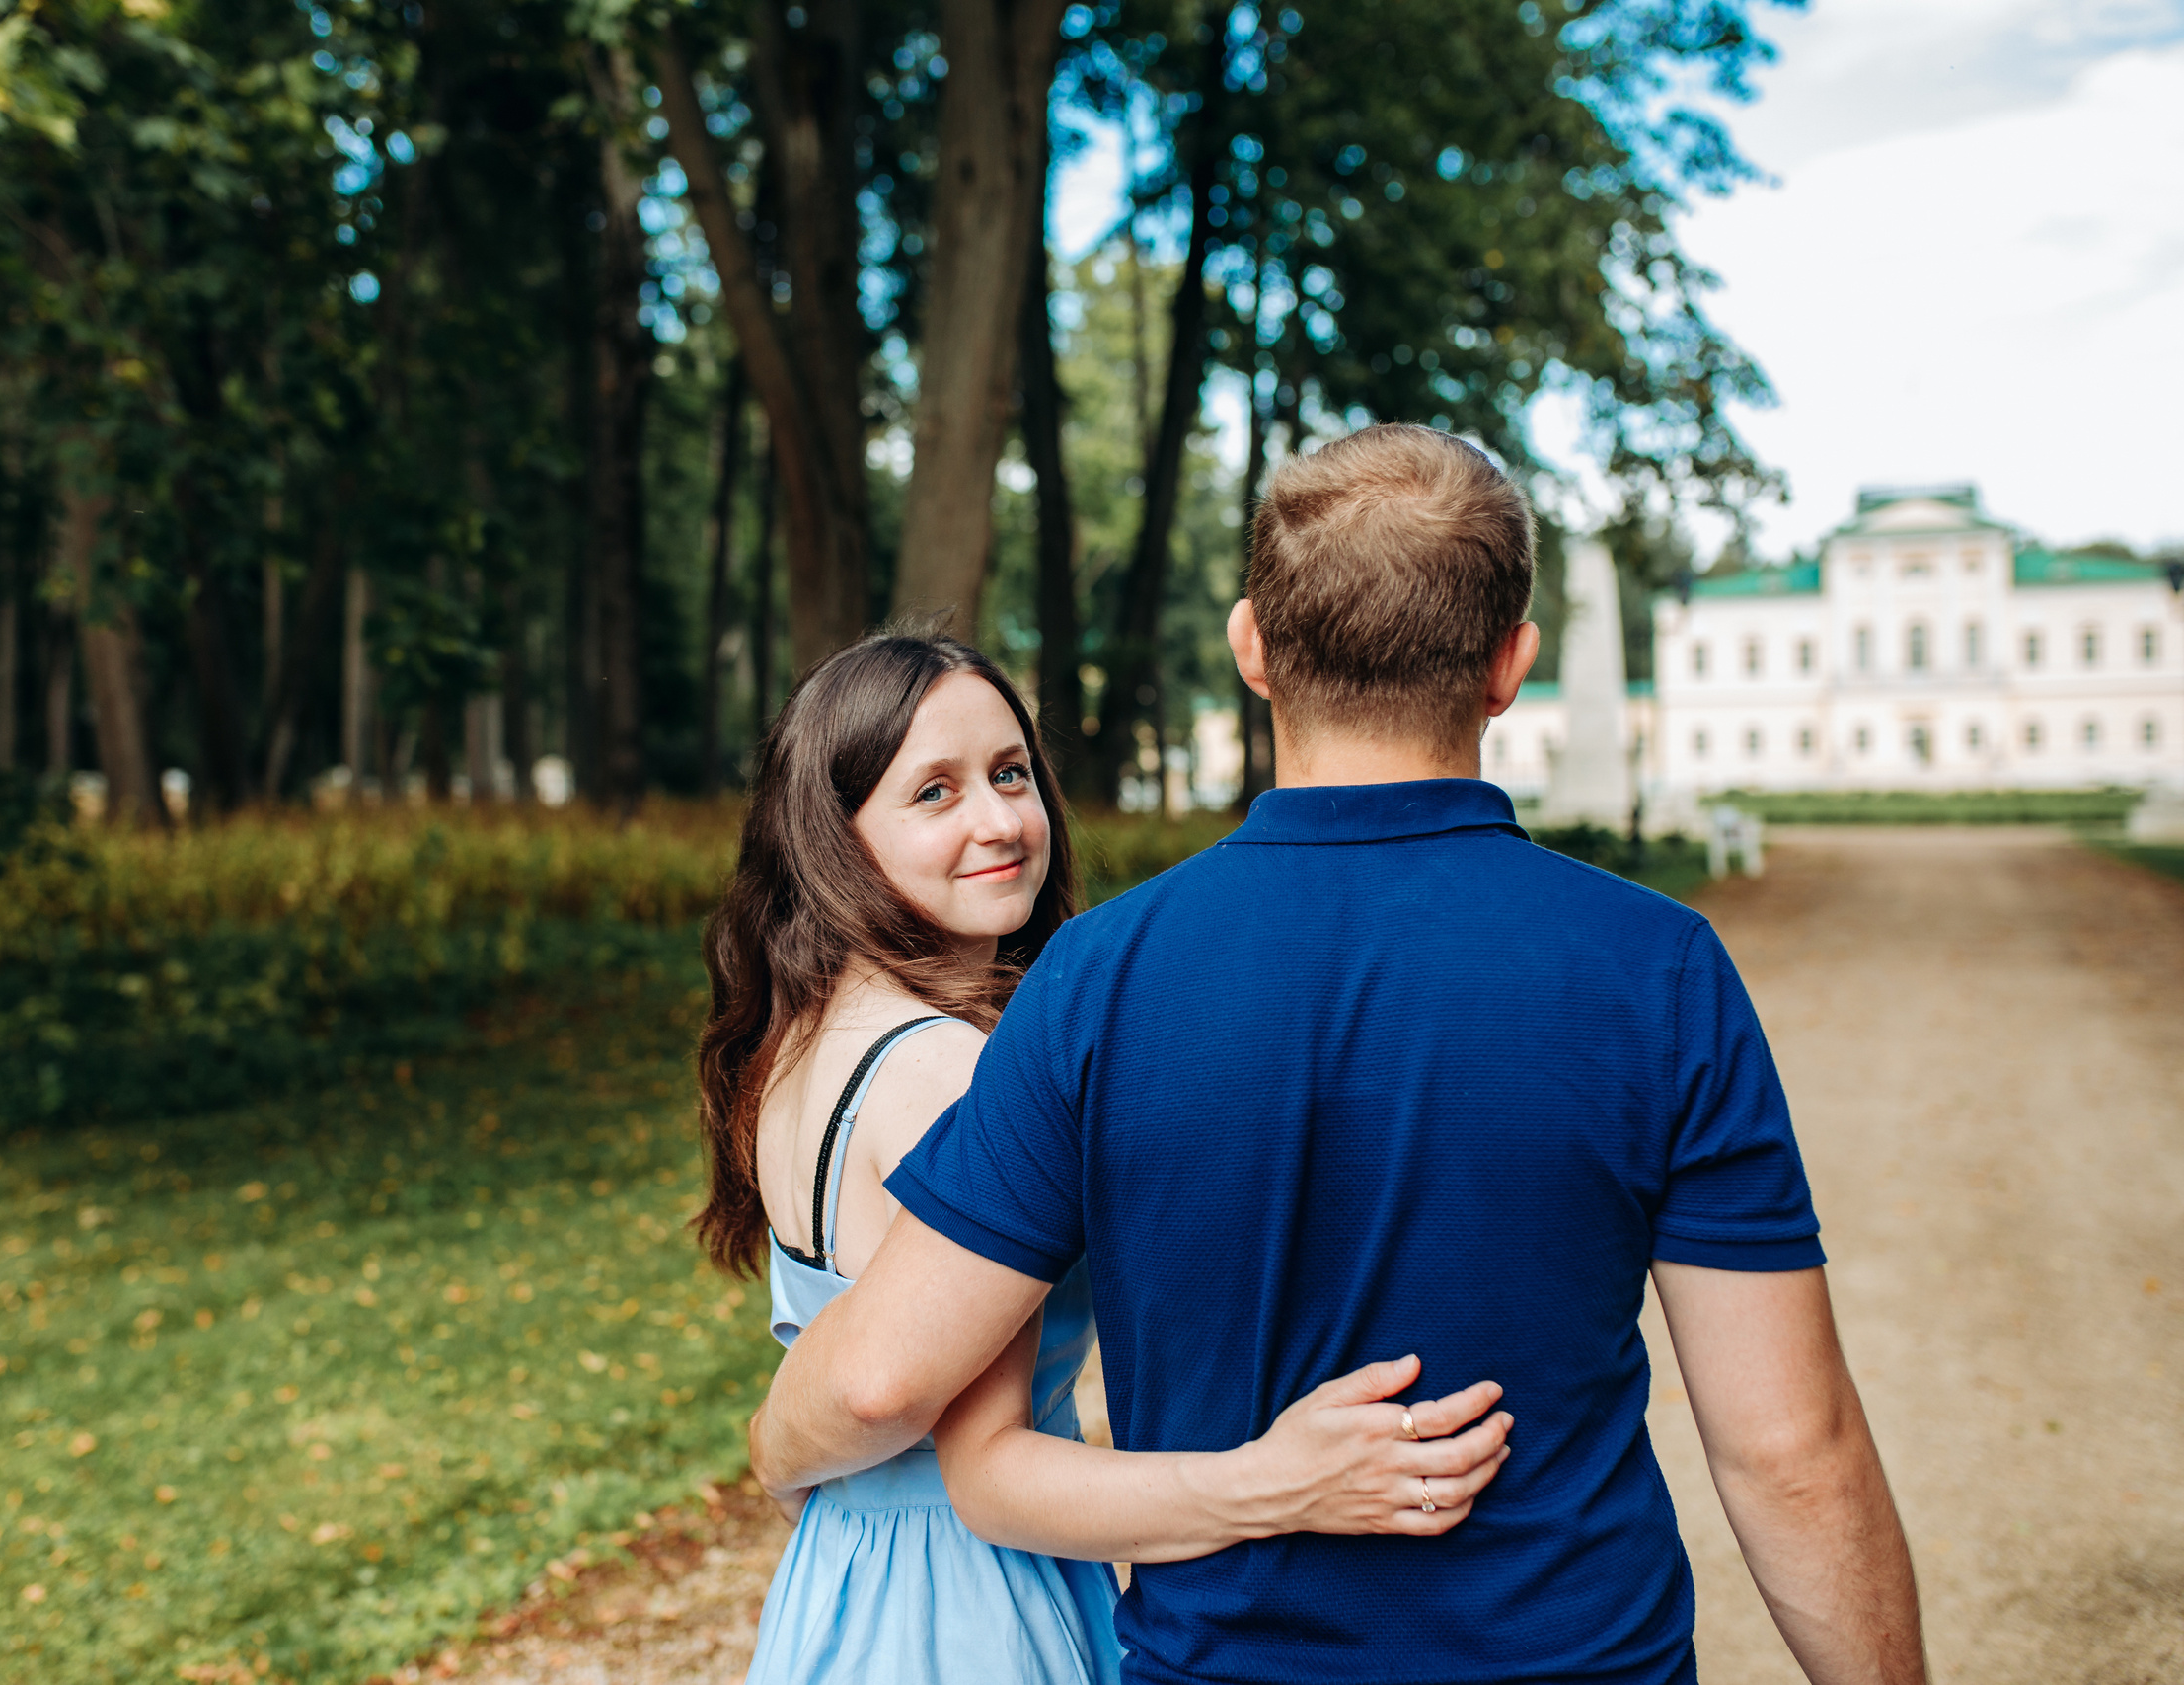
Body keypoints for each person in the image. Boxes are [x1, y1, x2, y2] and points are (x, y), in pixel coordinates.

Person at [753, 425, 1929, 1685]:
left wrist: (775, 1445)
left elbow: (889, 1383)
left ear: (1251, 647)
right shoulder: (1657, 968)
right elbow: (1786, 1451)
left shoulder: (1096, 980)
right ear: (1509, 663)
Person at [698, 631, 1517, 1685]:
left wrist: (779, 1450)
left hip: (846, 1570)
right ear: (833, 836)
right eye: (933, 794)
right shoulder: (946, 1068)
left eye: (1009, 774)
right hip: (965, 1595)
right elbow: (901, 1405)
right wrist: (1277, 1480)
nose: (998, 822)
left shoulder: (806, 1036)